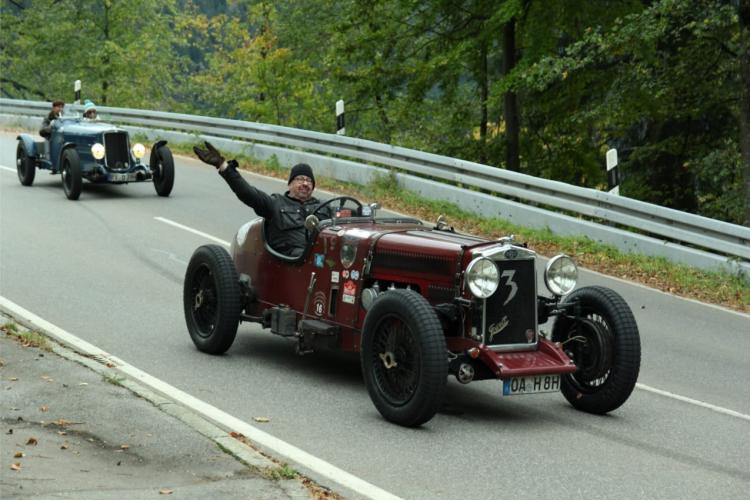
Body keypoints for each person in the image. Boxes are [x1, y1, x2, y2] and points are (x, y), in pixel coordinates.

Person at [193, 141, 330, 257]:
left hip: (323, 259)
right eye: (300, 179)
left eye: (309, 181)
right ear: (290, 184)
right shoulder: (276, 203)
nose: (305, 184)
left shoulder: (325, 206)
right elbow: (247, 193)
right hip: (294, 263)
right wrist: (223, 166)